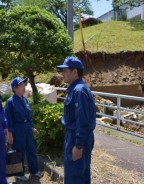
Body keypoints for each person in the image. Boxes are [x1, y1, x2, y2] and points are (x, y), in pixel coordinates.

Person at [56, 56, 96, 184]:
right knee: (81, 176)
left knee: (74, 177)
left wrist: (78, 145)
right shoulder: (77, 88)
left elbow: (82, 120)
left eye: (65, 70)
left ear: (74, 72)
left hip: (76, 138)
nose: (62, 73)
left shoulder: (78, 91)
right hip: (76, 136)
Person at [4, 77, 42, 181]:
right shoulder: (10, 102)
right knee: (19, 151)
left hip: (27, 128)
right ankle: (20, 173)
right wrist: (10, 134)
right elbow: (8, 119)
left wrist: (32, 127)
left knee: (31, 149)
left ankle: (34, 171)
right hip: (18, 129)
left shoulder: (24, 99)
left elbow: (28, 116)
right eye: (21, 85)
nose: (23, 87)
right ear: (15, 88)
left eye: (23, 85)